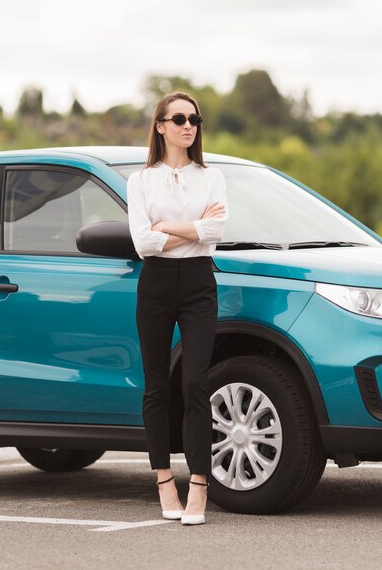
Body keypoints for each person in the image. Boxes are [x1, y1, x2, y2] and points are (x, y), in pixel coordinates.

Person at [127, 91, 228, 526]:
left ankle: (199, 486)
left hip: (198, 282)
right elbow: (142, 243)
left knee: (195, 384)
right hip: (156, 283)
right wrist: (192, 229)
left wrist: (165, 226)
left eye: (195, 119)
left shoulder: (212, 177)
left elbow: (217, 231)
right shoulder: (140, 181)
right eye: (180, 118)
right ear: (161, 125)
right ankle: (165, 480)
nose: (189, 126)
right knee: (156, 386)